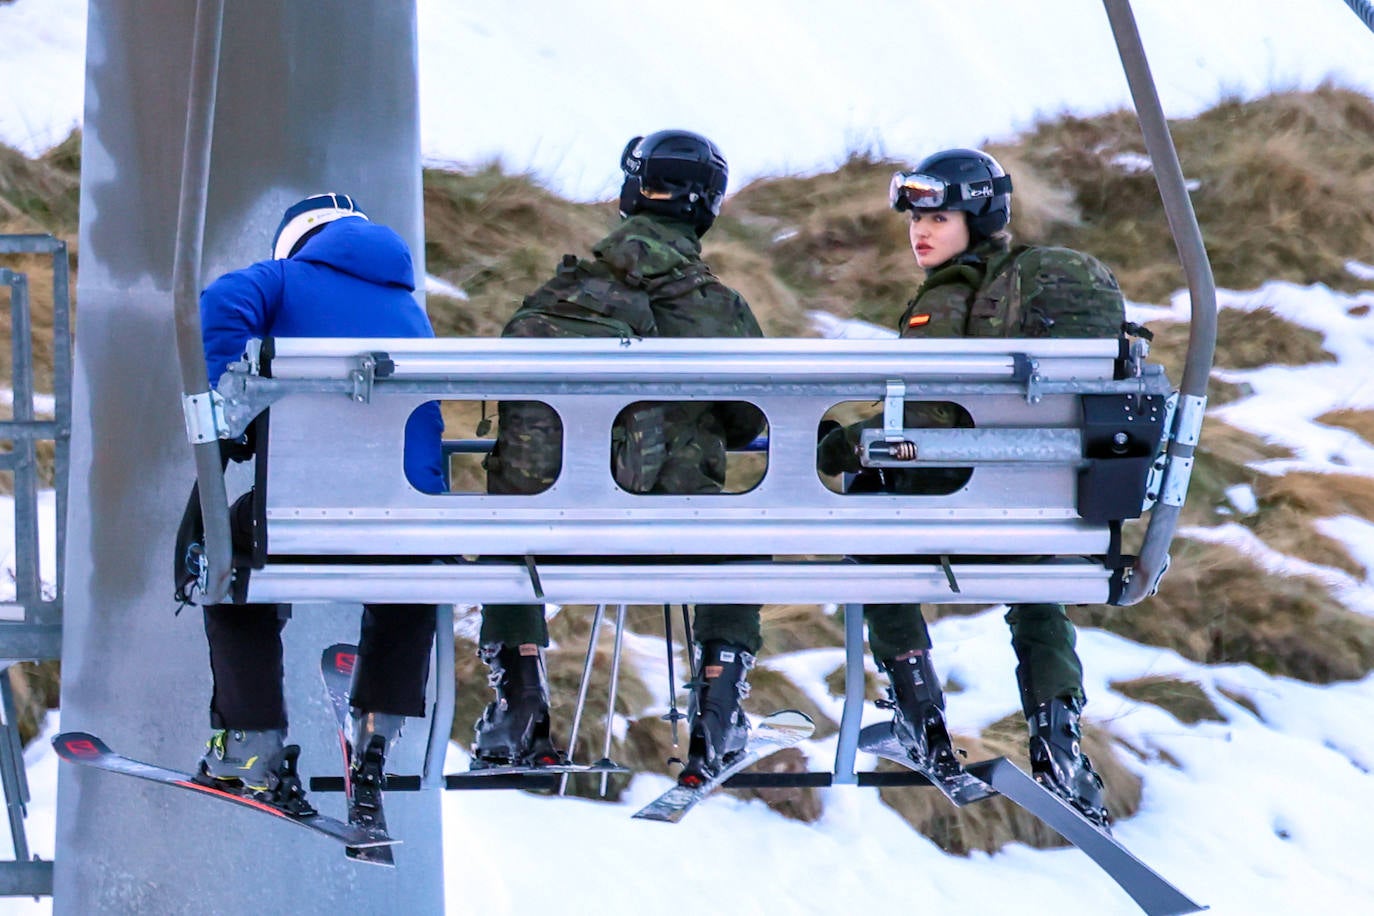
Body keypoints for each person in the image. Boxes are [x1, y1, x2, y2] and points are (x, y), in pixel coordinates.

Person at [818, 149, 1120, 827]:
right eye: (915, 217)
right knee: (1036, 590)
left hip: (955, 500)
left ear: (977, 219)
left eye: (939, 216)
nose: (920, 231)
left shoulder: (950, 296)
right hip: (1041, 506)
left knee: (869, 520)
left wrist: (845, 441)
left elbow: (925, 421)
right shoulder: (1020, 286)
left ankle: (918, 715)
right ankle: (1057, 739)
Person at [474, 130, 767, 788]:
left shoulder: (559, 294)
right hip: (669, 533)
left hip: (546, 535)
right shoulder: (715, 309)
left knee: (503, 533)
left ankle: (520, 705)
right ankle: (718, 711)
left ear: (631, 195)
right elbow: (752, 417)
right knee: (744, 541)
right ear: (707, 207)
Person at [192, 193, 445, 813]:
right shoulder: (408, 308)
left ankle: (251, 742)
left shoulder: (281, 278)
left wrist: (232, 408)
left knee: (227, 564)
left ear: (296, 241)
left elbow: (221, 304)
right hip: (407, 523)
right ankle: (379, 734)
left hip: (301, 514)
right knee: (410, 581)